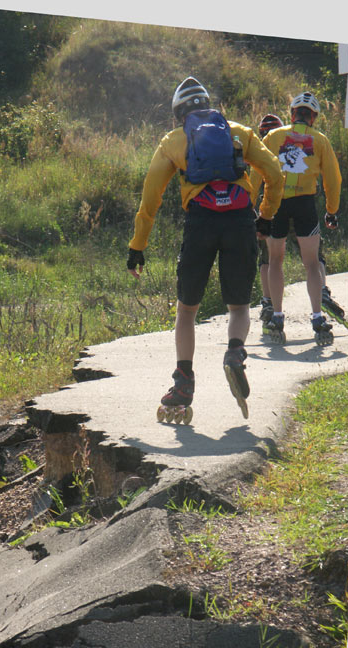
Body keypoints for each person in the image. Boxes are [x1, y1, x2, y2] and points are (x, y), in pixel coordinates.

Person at [126, 77, 283, 419]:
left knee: (187, 310)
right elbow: (274, 172)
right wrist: (265, 217)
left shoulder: (173, 140)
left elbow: (150, 198)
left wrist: (138, 245)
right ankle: (235, 353)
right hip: (240, 220)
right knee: (239, 306)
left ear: (178, 113)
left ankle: (183, 383)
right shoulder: (239, 132)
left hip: (200, 223)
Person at [250, 92, 343, 344]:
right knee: (311, 263)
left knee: (275, 261)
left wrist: (249, 203)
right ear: (313, 117)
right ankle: (317, 317)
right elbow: (333, 179)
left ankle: (277, 316)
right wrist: (331, 210)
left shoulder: (273, 136)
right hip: (304, 203)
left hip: (275, 202)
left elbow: (256, 171)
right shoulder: (320, 140)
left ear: (292, 114)